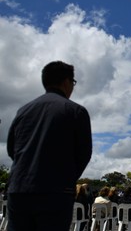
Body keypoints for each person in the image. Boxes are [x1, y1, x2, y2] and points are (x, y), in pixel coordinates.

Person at [6, 60, 93, 231]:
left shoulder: (23, 110)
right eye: (73, 82)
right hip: (55, 191)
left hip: (18, 189)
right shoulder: (76, 111)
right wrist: (66, 178)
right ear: (67, 82)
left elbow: (11, 149)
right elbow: (84, 153)